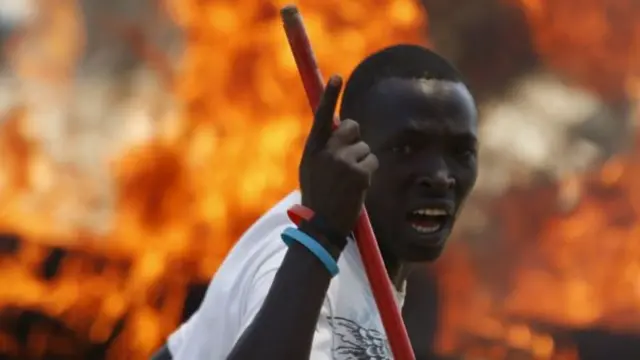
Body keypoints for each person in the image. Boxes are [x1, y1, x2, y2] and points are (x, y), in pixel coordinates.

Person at [151, 44, 478, 360]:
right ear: (350, 153)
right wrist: (321, 234)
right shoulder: (293, 258)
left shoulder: (358, 261)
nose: (440, 176)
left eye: (461, 152)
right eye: (407, 149)